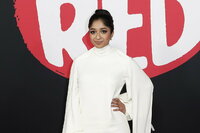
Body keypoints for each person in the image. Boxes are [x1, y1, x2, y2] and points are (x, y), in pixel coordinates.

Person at [62, 9, 153, 133]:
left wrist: (128, 108)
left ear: (112, 33)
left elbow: (145, 87)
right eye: (93, 32)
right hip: (86, 128)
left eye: (103, 31)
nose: (98, 36)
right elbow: (72, 104)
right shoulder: (79, 62)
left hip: (116, 127)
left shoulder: (123, 61)